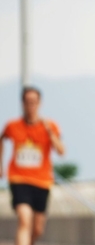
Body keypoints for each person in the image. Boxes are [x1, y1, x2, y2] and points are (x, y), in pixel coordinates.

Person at [0, 86, 65, 245]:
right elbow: (2, 139)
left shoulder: (50, 126)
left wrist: (50, 133)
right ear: (22, 103)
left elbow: (61, 151)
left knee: (37, 229)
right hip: (19, 179)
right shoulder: (12, 126)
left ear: (39, 103)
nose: (31, 105)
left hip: (42, 181)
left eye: (34, 102)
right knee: (24, 219)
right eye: (28, 102)